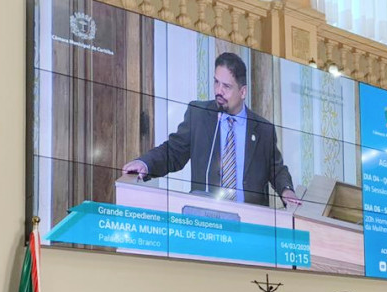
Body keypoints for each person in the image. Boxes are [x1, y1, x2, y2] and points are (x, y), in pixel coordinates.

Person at [121, 52, 301, 207]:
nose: (218, 91)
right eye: (216, 82)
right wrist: (145, 163)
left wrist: (287, 191)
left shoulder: (263, 129)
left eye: (226, 86)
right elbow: (173, 152)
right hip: (207, 220)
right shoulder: (199, 114)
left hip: (250, 223)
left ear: (243, 92)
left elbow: (276, 169)